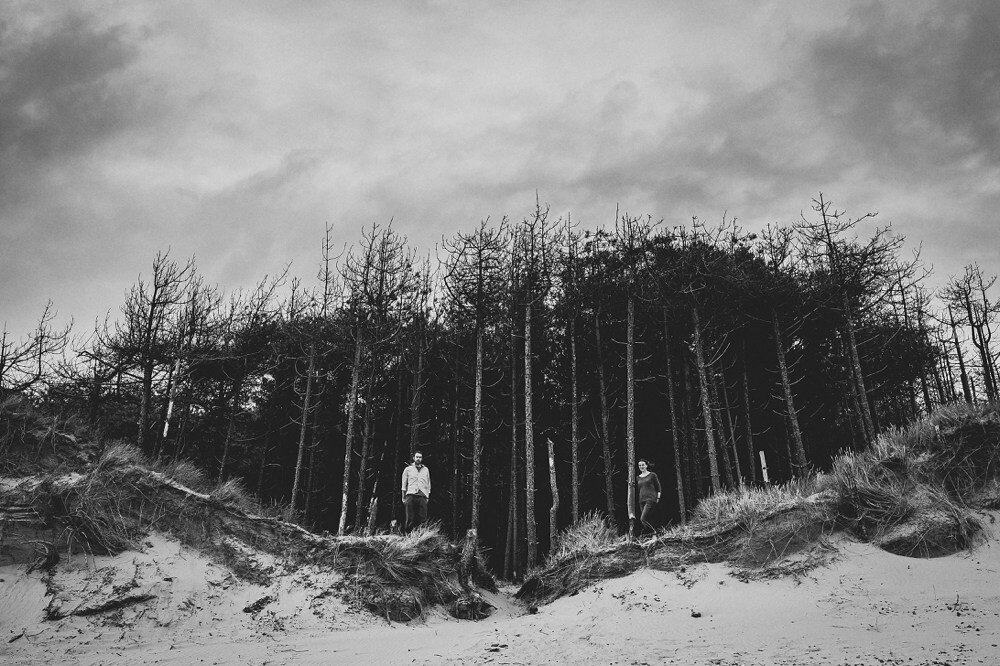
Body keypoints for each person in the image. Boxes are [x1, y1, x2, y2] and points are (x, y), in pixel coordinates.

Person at [401, 450, 431, 532]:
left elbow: (428, 483)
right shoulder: (408, 469)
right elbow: (404, 484)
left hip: (422, 495)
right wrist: (403, 497)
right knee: (410, 517)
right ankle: (408, 536)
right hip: (411, 495)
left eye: (420, 457)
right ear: (414, 458)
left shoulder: (426, 470)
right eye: (417, 457)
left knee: (422, 517)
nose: (418, 459)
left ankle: (421, 537)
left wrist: (427, 496)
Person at [636, 458, 661, 535]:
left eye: (643, 465)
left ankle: (654, 532)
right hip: (641, 500)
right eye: (639, 465)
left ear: (646, 465)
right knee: (647, 519)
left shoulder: (652, 475)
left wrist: (658, 497)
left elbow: (658, 487)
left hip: (650, 499)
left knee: (642, 519)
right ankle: (653, 534)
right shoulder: (638, 477)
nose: (641, 466)